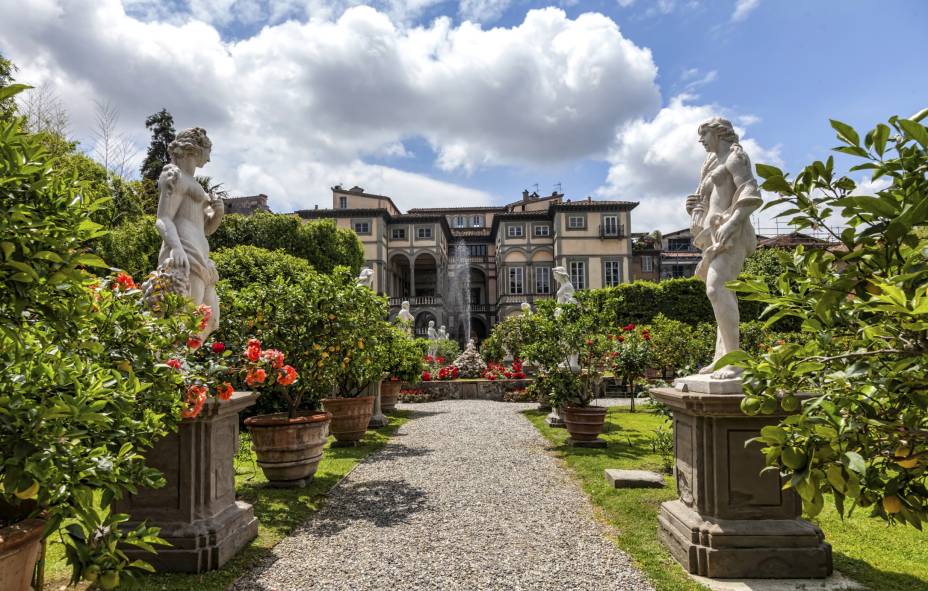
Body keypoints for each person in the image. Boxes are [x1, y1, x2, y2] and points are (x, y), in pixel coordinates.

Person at [686, 117, 763, 379]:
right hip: (713, 236)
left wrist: (732, 222)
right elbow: (711, 199)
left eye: (704, 134)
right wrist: (694, 207)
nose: (701, 140)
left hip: (731, 234)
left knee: (716, 289)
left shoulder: (735, 157)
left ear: (719, 134)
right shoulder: (710, 164)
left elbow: (750, 193)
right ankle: (724, 357)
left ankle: (736, 362)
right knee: (718, 294)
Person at [151, 127, 222, 337]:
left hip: (201, 256)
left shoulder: (195, 184)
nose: (209, 158)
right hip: (185, 253)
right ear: (196, 149)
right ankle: (173, 365)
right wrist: (176, 248)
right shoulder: (175, 176)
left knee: (210, 320)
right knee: (183, 320)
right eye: (208, 150)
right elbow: (163, 218)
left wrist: (217, 213)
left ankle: (179, 365)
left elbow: (206, 229)